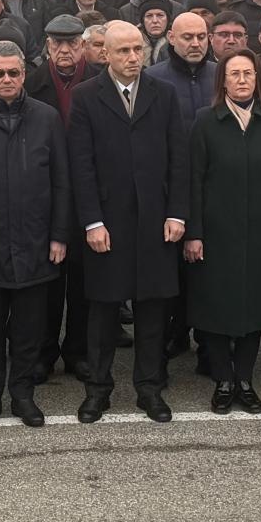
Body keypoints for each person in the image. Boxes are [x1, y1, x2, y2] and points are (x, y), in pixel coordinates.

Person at [67, 22, 189, 424]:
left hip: (156, 220)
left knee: (153, 310)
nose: (133, 57)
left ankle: (149, 389)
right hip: (108, 222)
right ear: (105, 54)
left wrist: (176, 213)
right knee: (103, 311)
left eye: (138, 49)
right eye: (123, 51)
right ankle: (98, 390)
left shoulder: (163, 94)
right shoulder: (86, 96)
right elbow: (81, 164)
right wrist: (91, 222)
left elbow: (178, 157)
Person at [0, 44, 69, 428]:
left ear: (23, 75)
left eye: (14, 73)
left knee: (28, 330)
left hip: (35, 241)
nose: (7, 79)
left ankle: (22, 394)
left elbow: (61, 181)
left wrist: (59, 234)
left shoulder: (47, 117)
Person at [184, 49, 261, 415]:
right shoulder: (205, 121)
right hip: (216, 233)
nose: (242, 79)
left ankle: (245, 380)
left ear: (257, 79)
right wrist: (194, 233)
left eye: (248, 73)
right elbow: (194, 181)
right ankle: (223, 380)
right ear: (223, 81)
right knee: (218, 307)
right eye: (234, 74)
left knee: (253, 307)